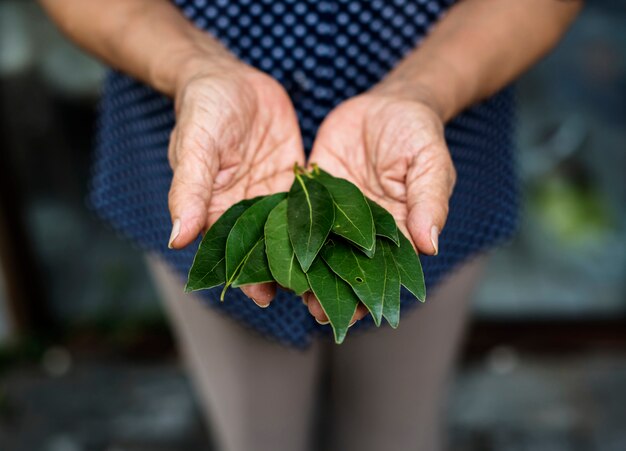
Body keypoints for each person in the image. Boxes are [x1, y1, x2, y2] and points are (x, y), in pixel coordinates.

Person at [41, 0, 582, 449]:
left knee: (398, 432)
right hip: (212, 160)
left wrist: (424, 88)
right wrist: (192, 66)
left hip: (419, 155)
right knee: (255, 435)